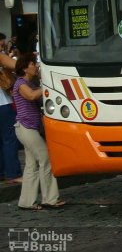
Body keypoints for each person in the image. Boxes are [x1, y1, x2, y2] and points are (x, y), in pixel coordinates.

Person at [12, 53, 65, 210]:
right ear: (24, 68)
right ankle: (50, 198)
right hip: (26, 128)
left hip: (29, 128)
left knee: (31, 165)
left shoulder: (31, 83)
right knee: (46, 159)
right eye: (32, 64)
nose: (35, 66)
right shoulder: (21, 84)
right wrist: (46, 87)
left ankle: (27, 202)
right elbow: (31, 96)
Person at [0, 67, 21, 184]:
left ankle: (2, 172)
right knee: (9, 140)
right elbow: (16, 65)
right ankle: (13, 173)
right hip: (3, 104)